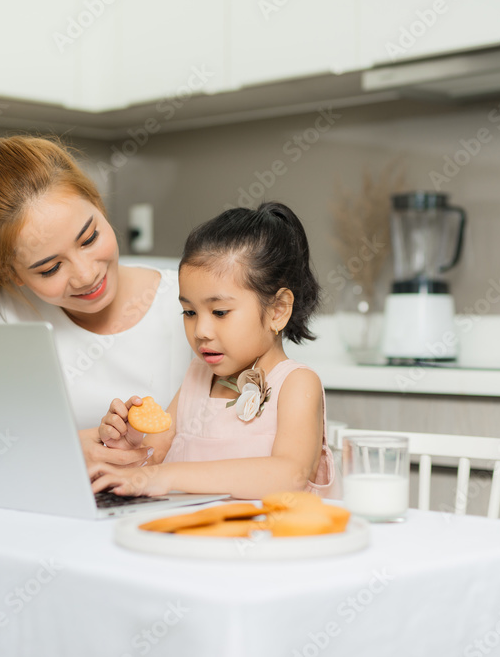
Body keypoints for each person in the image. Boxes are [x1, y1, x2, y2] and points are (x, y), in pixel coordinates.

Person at [0, 135, 192, 468]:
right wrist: (70, 449)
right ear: (11, 273)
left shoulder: (188, 305)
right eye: (51, 267)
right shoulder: (6, 317)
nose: (85, 275)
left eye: (89, 238)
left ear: (98, 203)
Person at [91, 202, 335, 500]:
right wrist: (127, 444)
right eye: (189, 313)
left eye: (219, 312)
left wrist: (166, 476)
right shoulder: (196, 378)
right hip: (195, 538)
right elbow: (149, 462)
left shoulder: (296, 385)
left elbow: (290, 475)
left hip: (267, 541)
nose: (201, 331)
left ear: (278, 310)